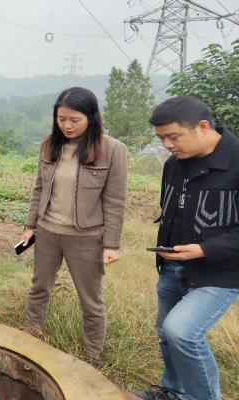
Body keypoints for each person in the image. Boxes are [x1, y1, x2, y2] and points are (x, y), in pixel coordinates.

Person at [132, 97, 239, 400]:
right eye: (161, 138)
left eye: (173, 136)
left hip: (220, 272)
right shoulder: (174, 165)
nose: (167, 145)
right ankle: (174, 391)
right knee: (166, 332)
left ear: (202, 127)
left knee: (182, 332)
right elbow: (171, 211)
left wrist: (203, 249)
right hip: (173, 265)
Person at [21, 87, 127, 368]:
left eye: (74, 120)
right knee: (39, 287)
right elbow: (39, 188)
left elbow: (115, 201)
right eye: (61, 119)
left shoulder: (112, 150)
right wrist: (30, 226)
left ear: (91, 118)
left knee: (90, 299)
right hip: (48, 230)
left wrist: (111, 244)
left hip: (86, 237)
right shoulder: (49, 145)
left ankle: (92, 357)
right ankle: (30, 338)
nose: (67, 125)